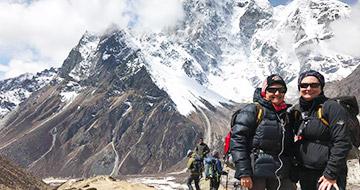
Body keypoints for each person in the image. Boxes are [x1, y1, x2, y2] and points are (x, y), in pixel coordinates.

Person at [230, 74, 296, 190]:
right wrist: (244, 172)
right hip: (256, 173)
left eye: (281, 90)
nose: (277, 93)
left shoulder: (288, 114)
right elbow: (238, 141)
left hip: (282, 171)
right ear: (264, 92)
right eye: (272, 90)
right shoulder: (252, 110)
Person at [294, 70, 352, 190]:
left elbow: (342, 142)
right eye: (304, 85)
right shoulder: (299, 110)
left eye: (314, 85)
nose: (308, 88)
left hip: (328, 173)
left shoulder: (332, 107)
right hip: (306, 172)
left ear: (321, 87)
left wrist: (330, 174)